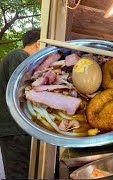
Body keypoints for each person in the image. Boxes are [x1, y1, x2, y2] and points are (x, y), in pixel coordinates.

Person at [0, 28, 40, 179]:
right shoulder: (19, 55)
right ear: (39, 43)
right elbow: (24, 91)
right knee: (19, 174)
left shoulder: (13, 57)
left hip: (14, 131)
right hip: (16, 131)